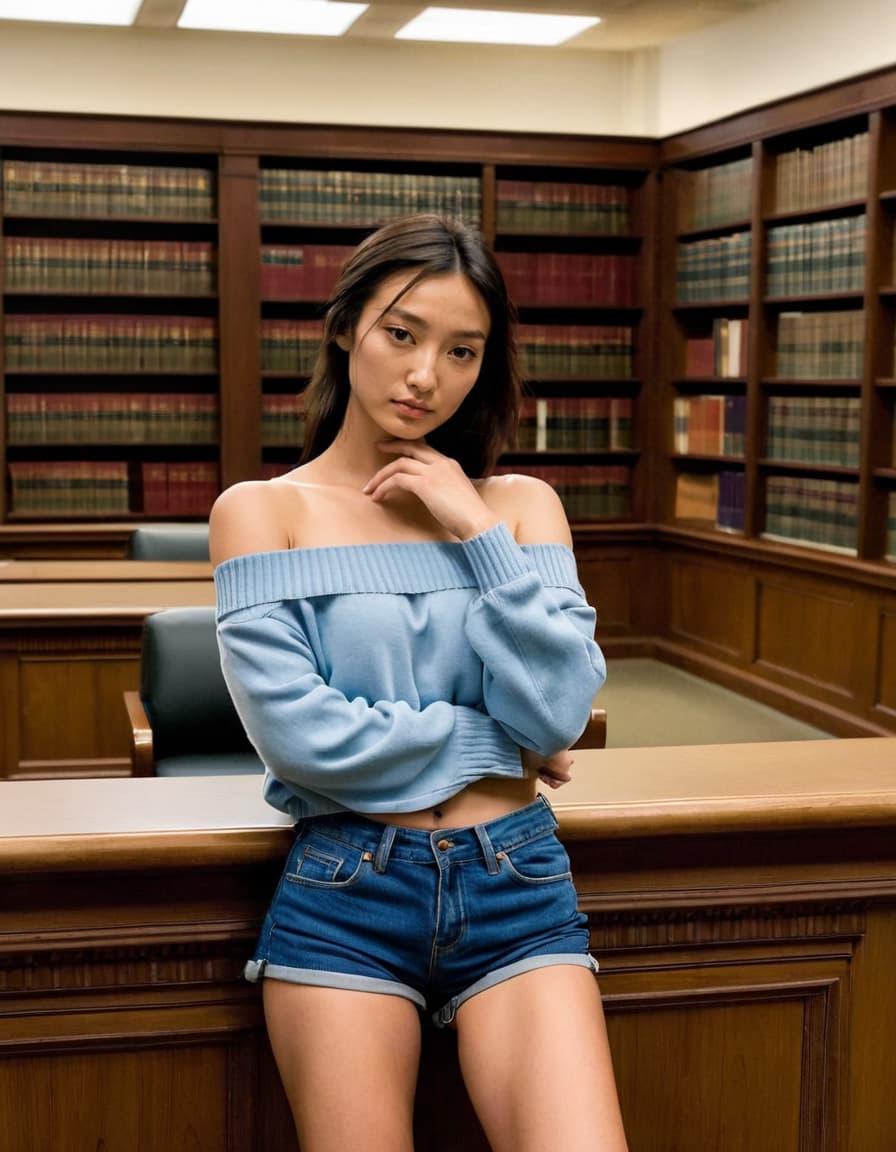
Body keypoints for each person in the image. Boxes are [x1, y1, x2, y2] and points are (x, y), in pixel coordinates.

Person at [210, 213, 628, 1152]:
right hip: (347, 888)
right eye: (402, 333)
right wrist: (502, 744)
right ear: (346, 325)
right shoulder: (262, 513)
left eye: (462, 350)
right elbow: (306, 743)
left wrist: (474, 528)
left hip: (516, 880)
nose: (425, 375)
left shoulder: (522, 507)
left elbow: (560, 708)